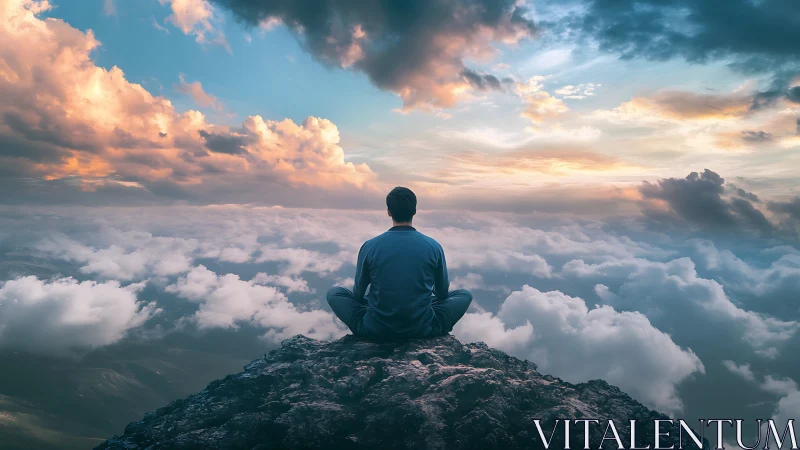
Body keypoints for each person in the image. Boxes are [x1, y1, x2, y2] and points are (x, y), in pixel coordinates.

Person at [326, 186, 473, 340]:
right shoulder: (433, 246)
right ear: (414, 210)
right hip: (422, 328)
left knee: (334, 293)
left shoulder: (370, 246)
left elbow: (357, 294)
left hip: (375, 329)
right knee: (464, 294)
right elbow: (442, 293)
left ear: (389, 211)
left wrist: (376, 301)